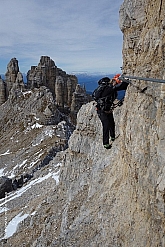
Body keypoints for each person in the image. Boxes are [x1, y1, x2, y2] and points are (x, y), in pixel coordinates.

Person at [92, 75, 128, 149]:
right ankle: (106, 143)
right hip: (101, 110)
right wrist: (126, 81)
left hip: (106, 109)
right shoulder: (109, 88)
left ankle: (112, 137)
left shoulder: (110, 89)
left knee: (111, 123)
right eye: (117, 82)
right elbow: (121, 86)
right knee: (106, 125)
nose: (117, 83)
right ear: (114, 81)